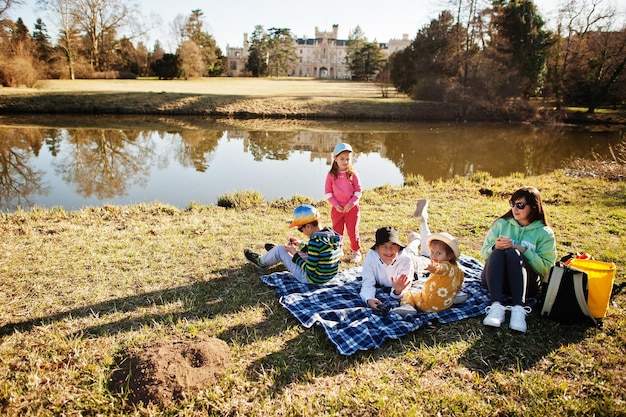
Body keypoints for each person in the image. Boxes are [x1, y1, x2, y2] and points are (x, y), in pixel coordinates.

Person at [361, 199, 462, 313]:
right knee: (411, 250)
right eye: (384, 246)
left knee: (427, 254)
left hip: (416, 266)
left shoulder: (405, 259)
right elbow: (367, 282)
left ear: (399, 248)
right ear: (377, 248)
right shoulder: (371, 256)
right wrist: (368, 299)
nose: (389, 251)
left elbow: (403, 291)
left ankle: (423, 222)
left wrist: (397, 291)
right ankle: (416, 239)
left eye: (393, 246)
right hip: (407, 255)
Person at [480, 186, 557, 333]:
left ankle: (518, 310)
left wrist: (524, 250)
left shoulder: (544, 234)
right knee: (497, 253)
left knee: (513, 254)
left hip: (527, 285)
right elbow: (484, 254)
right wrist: (494, 247)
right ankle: (496, 307)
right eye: (513, 204)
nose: (515, 209)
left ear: (534, 207)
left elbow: (546, 269)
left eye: (520, 205)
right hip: (496, 282)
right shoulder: (502, 224)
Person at [244, 204, 342, 285]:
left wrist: (294, 253)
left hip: (311, 279)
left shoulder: (314, 242)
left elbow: (309, 270)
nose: (301, 232)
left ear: (308, 226)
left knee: (280, 249)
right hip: (326, 276)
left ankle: (261, 262)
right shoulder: (330, 234)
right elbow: (319, 253)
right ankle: (276, 255)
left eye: (300, 229)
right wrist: (301, 245)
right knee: (287, 251)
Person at [393, 231, 464, 315]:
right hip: (446, 303)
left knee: (410, 293)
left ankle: (407, 306)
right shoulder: (457, 269)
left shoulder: (444, 266)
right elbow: (460, 281)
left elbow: (442, 269)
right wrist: (457, 290)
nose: (434, 256)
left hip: (429, 304)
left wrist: (435, 268)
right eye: (432, 252)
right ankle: (456, 295)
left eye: (439, 253)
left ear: (450, 256)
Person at [325, 143, 363, 263]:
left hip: (351, 209)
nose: (345, 162)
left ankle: (356, 251)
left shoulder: (353, 174)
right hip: (337, 209)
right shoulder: (331, 175)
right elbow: (328, 192)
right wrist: (335, 204)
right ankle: (338, 248)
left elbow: (358, 191)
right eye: (342, 159)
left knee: (352, 231)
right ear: (335, 158)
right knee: (337, 231)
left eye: (348, 159)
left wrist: (351, 203)